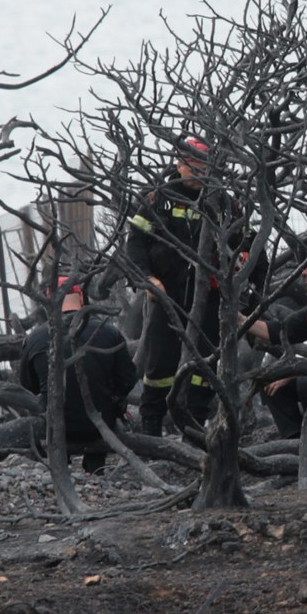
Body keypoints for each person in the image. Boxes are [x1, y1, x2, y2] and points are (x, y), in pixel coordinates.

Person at [124, 137, 228, 435]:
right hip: (166, 295)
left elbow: (242, 239)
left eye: (203, 166)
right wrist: (147, 279)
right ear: (179, 165)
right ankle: (152, 425)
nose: (198, 173)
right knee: (160, 363)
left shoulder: (220, 199)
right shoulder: (158, 199)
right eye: (193, 166)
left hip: (210, 296)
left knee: (206, 362)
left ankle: (194, 425)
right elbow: (135, 244)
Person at [19, 278, 139, 475]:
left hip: (57, 426)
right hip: (100, 426)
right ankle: (96, 467)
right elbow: (127, 380)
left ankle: (59, 466)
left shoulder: (35, 338)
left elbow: (27, 385)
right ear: (82, 298)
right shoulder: (108, 331)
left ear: (49, 302)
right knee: (104, 399)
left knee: (46, 402)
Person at [244, 247, 307, 438]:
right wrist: (238, 319)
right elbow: (279, 330)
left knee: (305, 382)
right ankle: (294, 440)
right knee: (269, 381)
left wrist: (297, 371)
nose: (304, 272)